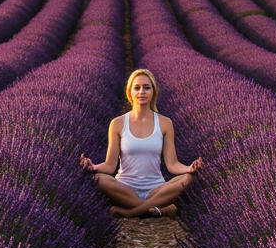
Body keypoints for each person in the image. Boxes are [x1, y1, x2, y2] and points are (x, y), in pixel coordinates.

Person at [79, 68, 203, 219]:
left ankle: (131, 212)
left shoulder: (165, 123)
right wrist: (93, 167)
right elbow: (110, 166)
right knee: (97, 178)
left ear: (153, 92)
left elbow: (172, 164)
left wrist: (189, 168)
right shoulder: (117, 123)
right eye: (137, 88)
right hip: (125, 188)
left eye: (147, 87)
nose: (142, 92)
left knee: (189, 178)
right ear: (130, 92)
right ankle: (161, 210)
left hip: (156, 189)